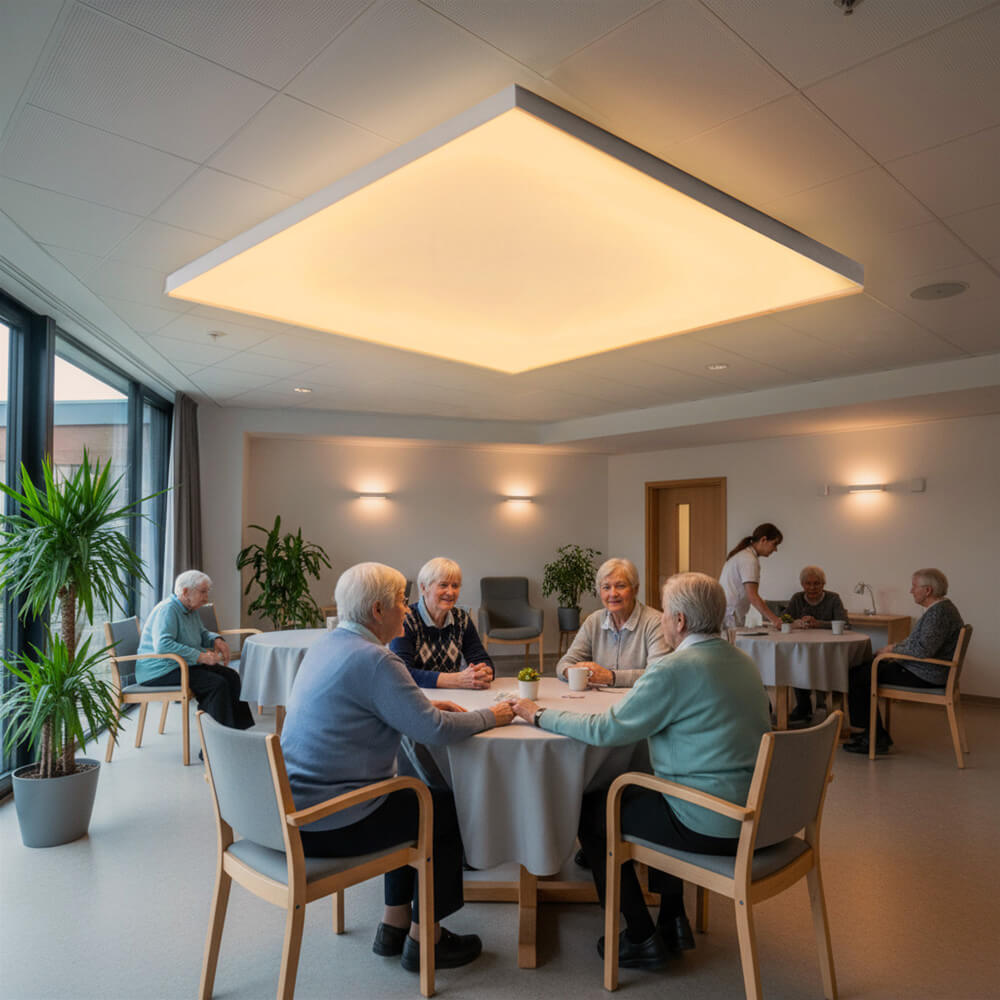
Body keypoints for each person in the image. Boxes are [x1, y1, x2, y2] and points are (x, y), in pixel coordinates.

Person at [514, 573, 770, 970]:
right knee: (649, 790)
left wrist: (541, 714)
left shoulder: (674, 669)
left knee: (594, 810)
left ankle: (640, 935)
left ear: (680, 621)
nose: (663, 618)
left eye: (667, 612)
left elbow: (606, 729)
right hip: (757, 817)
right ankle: (672, 918)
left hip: (709, 822)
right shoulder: (743, 662)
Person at [280, 562, 514, 973]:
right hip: (329, 821)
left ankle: (394, 925)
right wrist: (493, 716)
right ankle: (429, 941)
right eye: (401, 602)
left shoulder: (328, 644)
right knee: (438, 807)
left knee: (407, 793)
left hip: (292, 810)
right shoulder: (377, 659)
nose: (406, 610)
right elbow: (437, 730)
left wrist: (419, 705)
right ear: (377, 610)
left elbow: (377, 707)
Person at [844, 569, 964, 756]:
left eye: (914, 586)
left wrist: (891, 650)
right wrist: (893, 647)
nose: (911, 591)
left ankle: (873, 738)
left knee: (858, 676)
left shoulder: (938, 614)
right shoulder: (941, 609)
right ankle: (873, 733)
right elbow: (917, 643)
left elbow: (923, 650)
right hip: (925, 669)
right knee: (863, 669)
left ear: (928, 590)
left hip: (926, 674)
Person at [137, 570, 254, 732]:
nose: (206, 597)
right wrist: (200, 656)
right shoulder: (168, 610)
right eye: (203, 592)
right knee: (216, 684)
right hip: (159, 671)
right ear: (185, 592)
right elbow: (163, 645)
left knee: (231, 676)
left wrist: (216, 640)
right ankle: (213, 745)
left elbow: (202, 633)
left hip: (180, 665)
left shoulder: (190, 610)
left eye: (207, 592)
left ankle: (236, 733)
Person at [556, 557, 670, 688]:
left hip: (641, 702)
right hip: (599, 701)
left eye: (620, 586)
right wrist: (571, 672)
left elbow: (659, 675)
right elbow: (564, 663)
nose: (613, 593)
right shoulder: (593, 621)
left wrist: (610, 677)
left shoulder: (656, 623)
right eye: (606, 587)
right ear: (600, 592)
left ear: (635, 589)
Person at [390, 557, 493, 689]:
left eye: (455, 586)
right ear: (423, 587)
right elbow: (401, 674)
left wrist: (484, 672)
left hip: (454, 695)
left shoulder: (462, 618)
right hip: (418, 697)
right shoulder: (405, 619)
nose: (450, 592)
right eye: (443, 585)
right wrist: (457, 680)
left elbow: (481, 658)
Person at [786, 566, 847, 725]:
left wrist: (817, 623)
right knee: (796, 664)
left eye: (817, 583)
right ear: (802, 584)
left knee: (820, 665)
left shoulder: (833, 599)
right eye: (808, 583)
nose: (812, 587)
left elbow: (844, 624)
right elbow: (784, 620)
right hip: (802, 647)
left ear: (823, 584)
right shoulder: (797, 598)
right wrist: (797, 623)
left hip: (827, 649)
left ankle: (826, 707)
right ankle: (803, 707)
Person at [719, 523, 783, 629]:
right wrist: (775, 620)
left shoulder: (743, 555)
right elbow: (752, 596)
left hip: (728, 612)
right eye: (774, 544)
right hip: (731, 615)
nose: (775, 549)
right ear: (763, 540)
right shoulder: (748, 559)